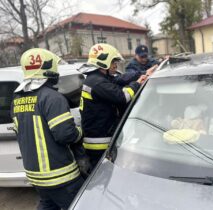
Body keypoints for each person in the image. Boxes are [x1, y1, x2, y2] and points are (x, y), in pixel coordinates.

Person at [11, 48, 84, 210]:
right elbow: (66, 135)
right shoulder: (52, 97)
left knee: (48, 204)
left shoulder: (16, 99)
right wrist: (79, 132)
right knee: (80, 205)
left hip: (35, 174)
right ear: (48, 69)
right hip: (60, 174)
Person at [79, 43, 149, 168]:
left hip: (99, 139)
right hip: (99, 143)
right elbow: (122, 97)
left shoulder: (95, 78)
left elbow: (119, 79)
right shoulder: (97, 82)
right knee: (104, 176)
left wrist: (143, 73)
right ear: (103, 63)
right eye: (113, 62)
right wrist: (137, 84)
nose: (115, 65)